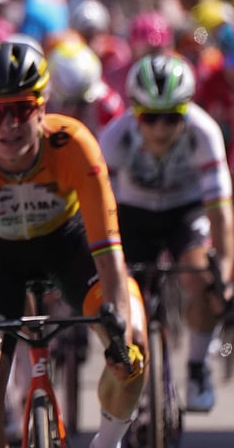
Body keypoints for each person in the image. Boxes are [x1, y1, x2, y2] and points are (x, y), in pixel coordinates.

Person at [0, 40, 147, 448]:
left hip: (67, 247)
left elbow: (109, 250)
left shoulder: (74, 145)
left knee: (135, 345)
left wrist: (117, 328)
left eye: (21, 108)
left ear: (42, 107)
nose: (10, 124)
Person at [98, 54, 234, 415]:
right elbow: (97, 211)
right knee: (122, 298)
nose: (160, 129)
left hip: (183, 212)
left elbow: (221, 211)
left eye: (172, 117)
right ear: (134, 111)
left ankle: (196, 366)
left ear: (186, 111)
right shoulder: (114, 137)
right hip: (131, 213)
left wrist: (223, 269)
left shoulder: (204, 133)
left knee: (204, 280)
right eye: (150, 117)